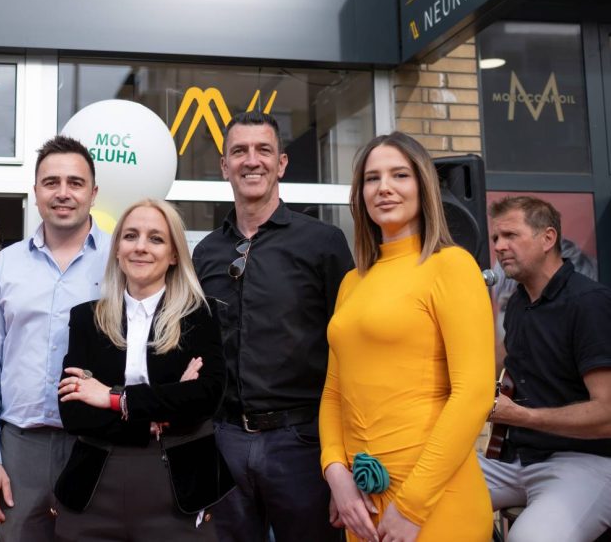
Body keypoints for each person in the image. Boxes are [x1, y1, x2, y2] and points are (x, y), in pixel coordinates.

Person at [319, 131, 495, 542]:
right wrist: (336, 474)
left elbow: (473, 394)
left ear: (424, 186)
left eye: (399, 175)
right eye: (372, 178)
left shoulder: (451, 266)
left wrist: (412, 506)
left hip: (434, 503)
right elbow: (333, 392)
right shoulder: (351, 283)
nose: (384, 187)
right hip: (363, 506)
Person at [191, 111, 354, 542]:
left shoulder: (323, 243)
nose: (251, 160)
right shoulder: (206, 253)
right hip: (224, 442)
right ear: (224, 166)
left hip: (301, 444)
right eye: (239, 151)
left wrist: (345, 460)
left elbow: (351, 353)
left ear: (281, 163)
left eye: (263, 150)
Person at [53, 199, 233, 541]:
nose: (140, 247)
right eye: (130, 236)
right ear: (117, 249)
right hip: (96, 481)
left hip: (176, 483)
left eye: (156, 239)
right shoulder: (87, 318)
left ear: (174, 254)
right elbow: (74, 413)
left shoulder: (199, 315)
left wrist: (112, 398)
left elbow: (205, 398)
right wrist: (158, 413)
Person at [0, 135, 110, 541]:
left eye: (75, 183)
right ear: (36, 190)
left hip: (98, 446)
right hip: (19, 449)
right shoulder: (5, 265)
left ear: (93, 193)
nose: (63, 193)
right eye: (51, 182)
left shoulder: (120, 260)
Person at [479, 196, 611, 542]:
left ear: (548, 238)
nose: (499, 246)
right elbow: (502, 363)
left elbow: (608, 414)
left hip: (586, 462)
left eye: (510, 235)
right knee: (415, 496)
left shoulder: (589, 303)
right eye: (496, 238)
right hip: (515, 461)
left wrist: (522, 416)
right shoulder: (519, 302)